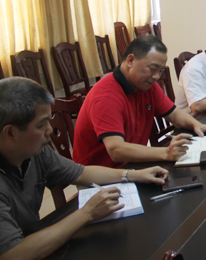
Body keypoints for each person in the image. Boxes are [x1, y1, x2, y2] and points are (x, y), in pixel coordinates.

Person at [0, 77, 170, 259]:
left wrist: (133, 174)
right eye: (41, 125)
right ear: (11, 132)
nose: (49, 130)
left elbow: (82, 173)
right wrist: (87, 213)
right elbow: (12, 254)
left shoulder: (35, 153)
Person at [73, 36, 206, 168]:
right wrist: (166, 153)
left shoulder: (145, 85)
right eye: (152, 69)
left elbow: (174, 114)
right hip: (101, 176)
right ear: (130, 61)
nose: (156, 76)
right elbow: (116, 150)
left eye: (160, 71)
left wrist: (197, 125)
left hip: (133, 165)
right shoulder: (105, 96)